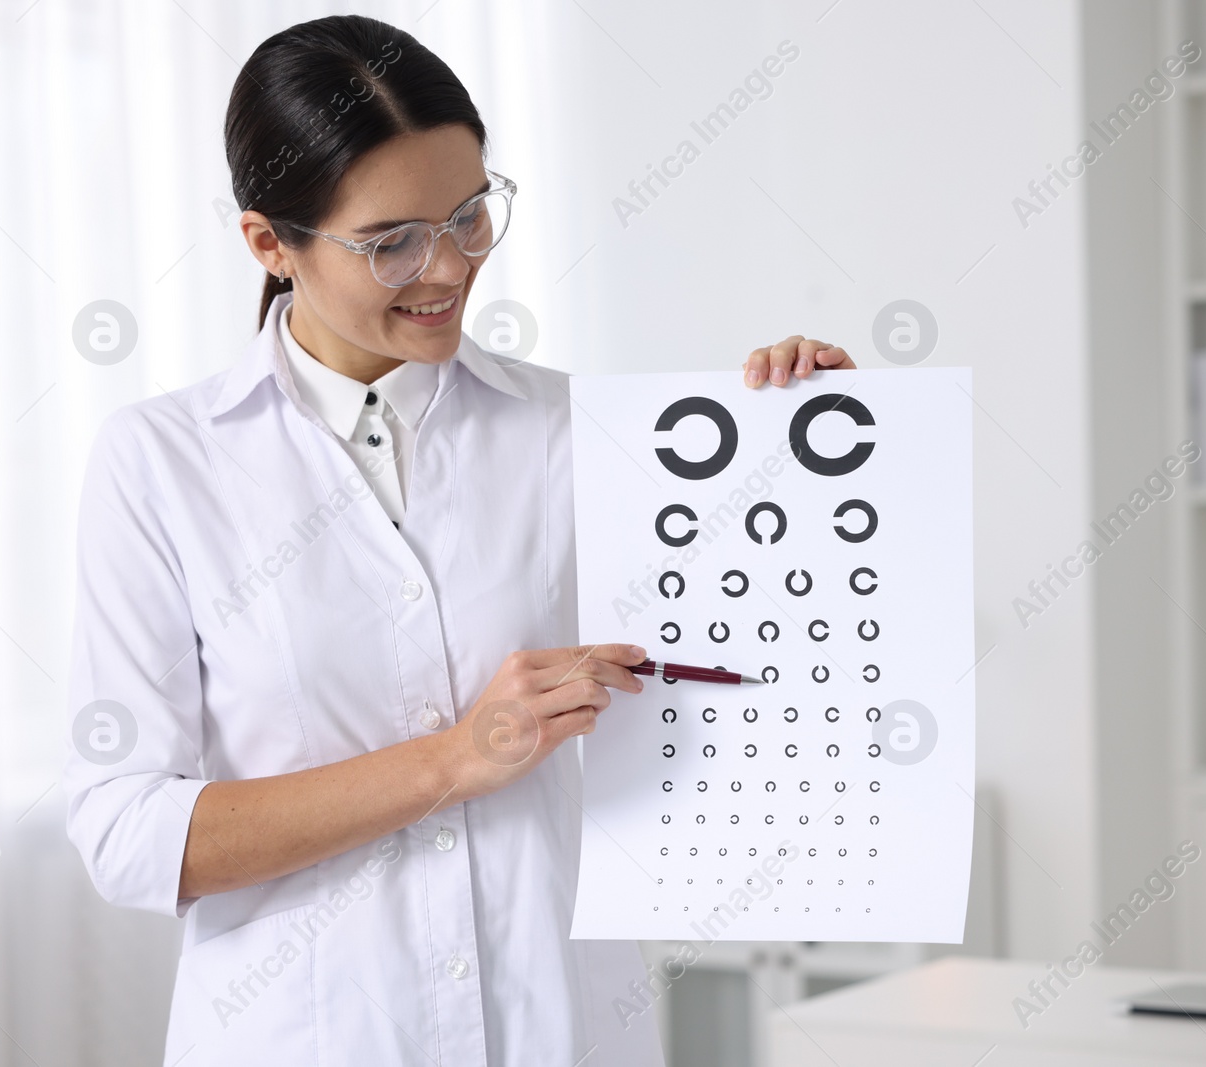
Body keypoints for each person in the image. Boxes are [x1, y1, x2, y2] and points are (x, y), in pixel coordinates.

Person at [62, 14, 855, 1067]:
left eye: (470, 216)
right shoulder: (161, 463)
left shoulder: (588, 435)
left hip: (559, 1028)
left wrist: (800, 438)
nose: (448, 267)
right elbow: (128, 835)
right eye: (391, 240)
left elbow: (757, 665)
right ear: (268, 241)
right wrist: (453, 758)